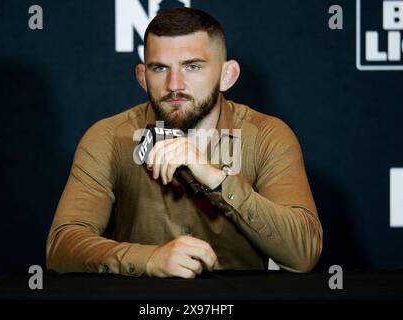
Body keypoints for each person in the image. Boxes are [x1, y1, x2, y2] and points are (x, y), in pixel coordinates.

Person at [46, 7, 322, 278]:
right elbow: (62, 246)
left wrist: (216, 178)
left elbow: (302, 255)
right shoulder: (108, 137)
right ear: (143, 77)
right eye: (159, 68)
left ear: (228, 75)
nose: (174, 84)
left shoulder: (266, 135)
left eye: (192, 66)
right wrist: (149, 259)